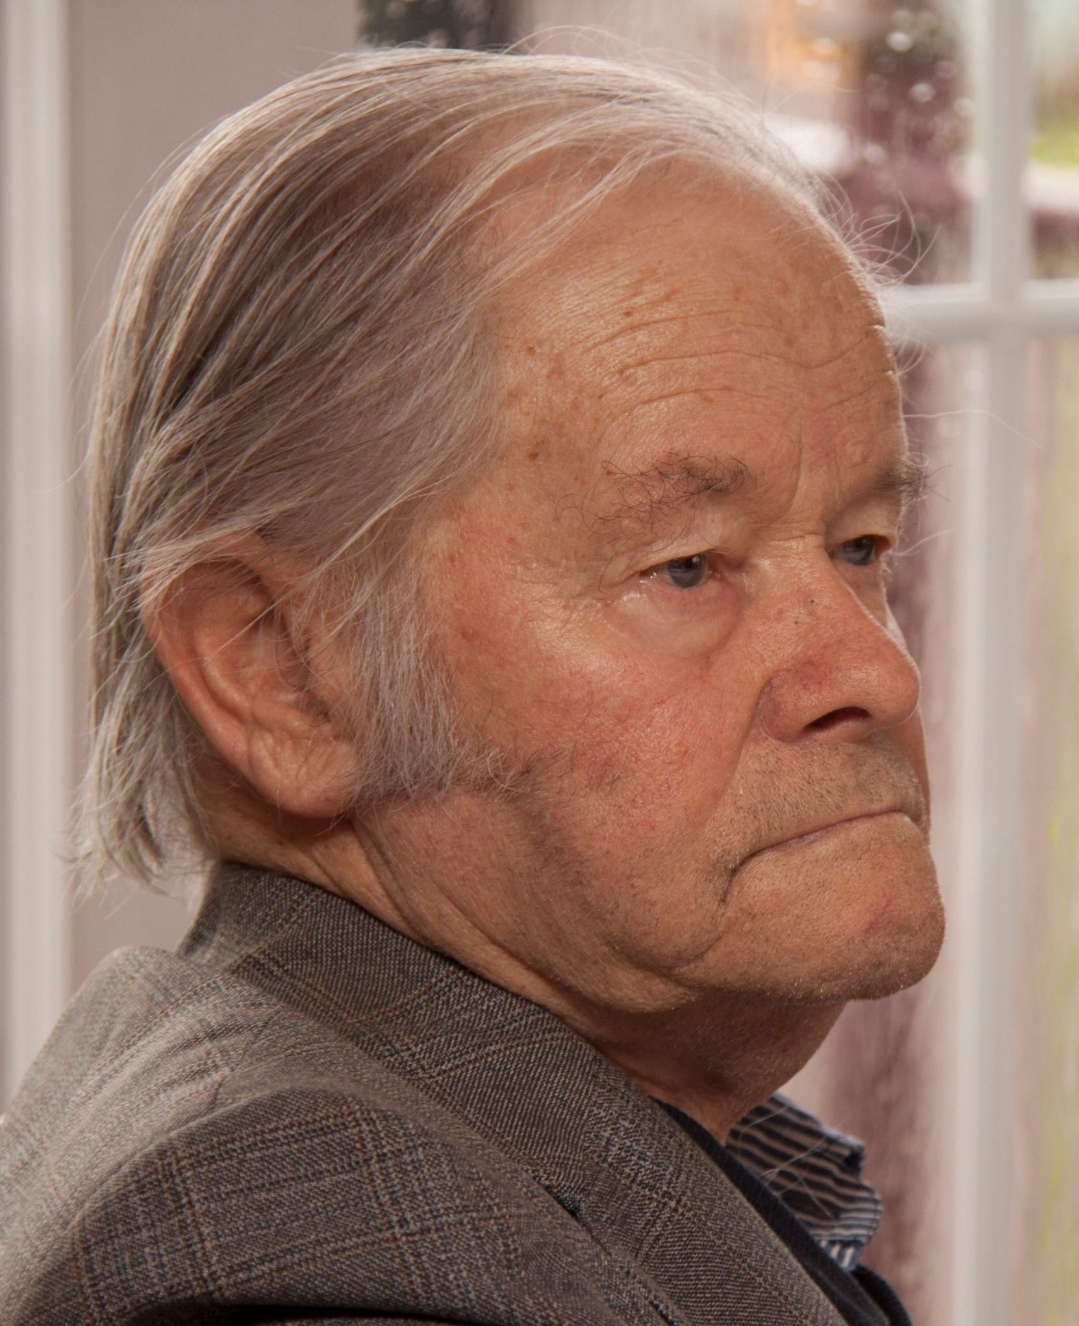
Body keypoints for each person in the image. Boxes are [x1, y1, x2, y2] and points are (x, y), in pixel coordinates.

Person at [0, 48, 944, 1326]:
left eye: (860, 547)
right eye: (684, 568)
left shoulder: (423, 1127)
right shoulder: (319, 1264)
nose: (874, 671)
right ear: (280, 673)